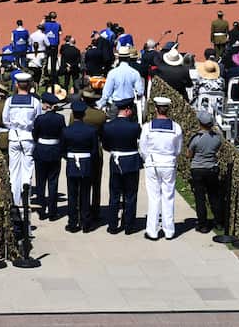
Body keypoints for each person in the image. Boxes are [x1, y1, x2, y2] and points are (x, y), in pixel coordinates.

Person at [140, 96, 183, 241]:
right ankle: (169, 231)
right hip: (169, 164)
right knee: (168, 196)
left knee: (154, 197)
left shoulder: (147, 127)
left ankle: (152, 231)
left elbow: (143, 148)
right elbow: (178, 149)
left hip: (153, 163)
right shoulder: (176, 127)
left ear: (156, 109)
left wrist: (148, 160)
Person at [102, 97, 142, 235]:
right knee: (130, 195)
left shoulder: (108, 126)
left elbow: (106, 145)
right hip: (131, 162)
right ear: (127, 110)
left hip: (116, 162)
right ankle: (129, 225)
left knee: (114, 194)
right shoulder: (135, 127)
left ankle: (113, 225)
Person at [4, 71, 42, 209]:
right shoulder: (35, 102)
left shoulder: (9, 101)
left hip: (14, 137)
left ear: (16, 84)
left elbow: (5, 120)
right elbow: (38, 120)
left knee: (13, 170)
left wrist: (14, 128)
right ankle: (26, 198)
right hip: (28, 137)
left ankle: (15, 200)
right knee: (27, 170)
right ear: (30, 85)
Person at [62, 99, 100, 233]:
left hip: (72, 163)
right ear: (84, 114)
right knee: (85, 193)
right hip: (86, 164)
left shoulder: (66, 131)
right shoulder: (91, 131)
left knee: (72, 194)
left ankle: (73, 223)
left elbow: (63, 150)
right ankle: (86, 223)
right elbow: (94, 151)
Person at [187, 110, 225, 234]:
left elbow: (189, 154)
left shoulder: (196, 138)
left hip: (197, 169)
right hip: (211, 169)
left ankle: (202, 224)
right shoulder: (217, 137)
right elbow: (218, 147)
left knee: (200, 198)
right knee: (214, 196)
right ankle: (219, 222)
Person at [31, 91, 65, 221]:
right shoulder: (60, 118)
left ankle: (41, 209)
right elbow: (62, 135)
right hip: (54, 151)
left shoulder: (40, 119)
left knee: (40, 182)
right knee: (53, 182)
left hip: (41, 151)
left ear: (46, 105)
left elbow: (35, 134)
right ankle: (52, 211)